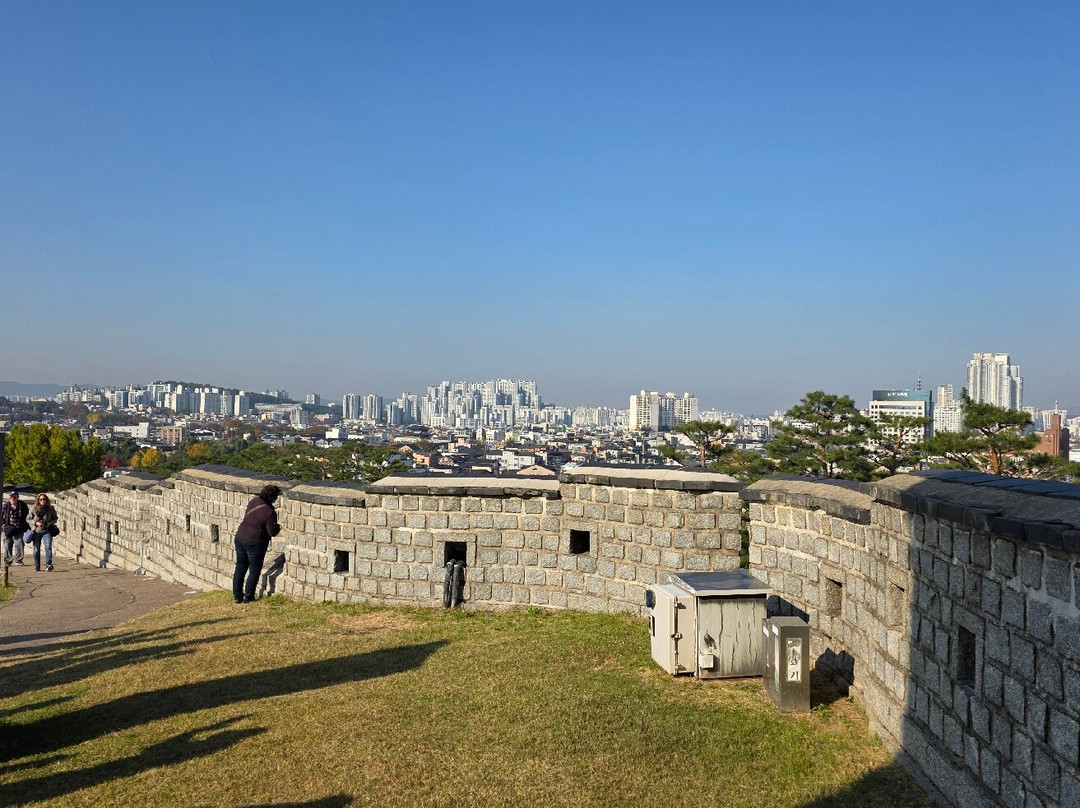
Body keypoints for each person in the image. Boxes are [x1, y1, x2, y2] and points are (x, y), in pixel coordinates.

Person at [233, 484, 282, 604]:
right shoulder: (270, 512)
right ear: (272, 498)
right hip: (255, 541)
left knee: (240, 567)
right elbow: (271, 532)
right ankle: (248, 596)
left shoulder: (253, 501)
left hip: (240, 536)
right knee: (254, 569)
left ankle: (237, 595)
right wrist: (278, 528)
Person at [30, 493, 58, 572]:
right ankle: (37, 565)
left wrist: (50, 523)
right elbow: (28, 519)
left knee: (48, 547)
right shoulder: (34, 509)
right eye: (40, 499)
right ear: (38, 500)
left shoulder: (50, 509)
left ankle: (48, 565)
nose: (42, 501)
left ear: (46, 500)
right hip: (37, 531)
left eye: (44, 499)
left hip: (47, 531)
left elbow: (55, 518)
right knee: (36, 549)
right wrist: (36, 523)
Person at [2, 491, 30, 566]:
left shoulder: (22, 505)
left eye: (14, 497)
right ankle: (8, 560)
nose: (12, 499)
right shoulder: (5, 506)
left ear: (17, 498)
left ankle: (18, 560)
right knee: (7, 544)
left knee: (19, 543)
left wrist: (23, 525)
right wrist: (3, 526)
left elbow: (26, 515)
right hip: (7, 528)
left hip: (18, 528)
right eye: (11, 497)